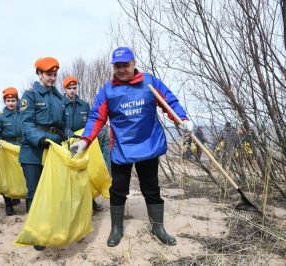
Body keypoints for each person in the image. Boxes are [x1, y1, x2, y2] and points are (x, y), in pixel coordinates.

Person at [70, 47, 193, 247]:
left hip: (148, 145)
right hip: (121, 148)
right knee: (118, 189)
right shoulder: (108, 91)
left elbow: (169, 101)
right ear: (113, 67)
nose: (121, 69)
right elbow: (96, 118)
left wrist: (182, 119)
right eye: (117, 66)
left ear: (133, 63)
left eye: (125, 65)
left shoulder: (150, 83)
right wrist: (85, 141)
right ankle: (116, 228)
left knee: (151, 188)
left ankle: (157, 227)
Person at [19, 57, 69, 250]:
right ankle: (36, 232)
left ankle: (51, 225)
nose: (52, 77)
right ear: (39, 74)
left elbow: (64, 126)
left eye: (55, 74)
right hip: (33, 151)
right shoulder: (29, 95)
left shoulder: (58, 97)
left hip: (55, 149)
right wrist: (41, 139)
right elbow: (26, 124)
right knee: (35, 192)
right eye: (48, 74)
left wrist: (76, 137)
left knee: (53, 190)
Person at [62, 76, 104, 211]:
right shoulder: (59, 104)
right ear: (65, 89)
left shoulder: (84, 105)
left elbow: (90, 123)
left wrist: (85, 138)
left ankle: (90, 200)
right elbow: (59, 124)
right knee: (71, 173)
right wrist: (69, 135)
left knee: (86, 171)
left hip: (83, 143)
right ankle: (73, 203)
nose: (72, 91)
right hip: (67, 143)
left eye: (74, 88)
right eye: (69, 88)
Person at [0, 87, 22, 216]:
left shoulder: (23, 114)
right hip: (7, 149)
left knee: (20, 176)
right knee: (7, 178)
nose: (11, 103)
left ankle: (17, 196)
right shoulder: (0, 117)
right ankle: (8, 204)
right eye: (8, 100)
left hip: (21, 147)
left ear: (17, 100)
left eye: (13, 100)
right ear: (5, 101)